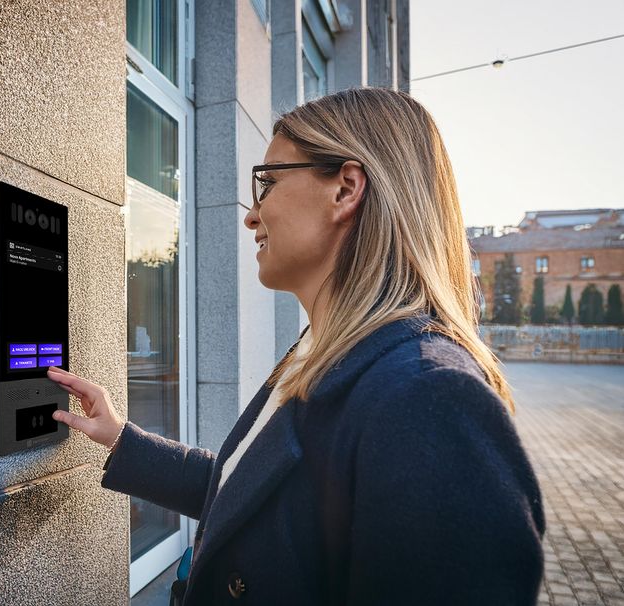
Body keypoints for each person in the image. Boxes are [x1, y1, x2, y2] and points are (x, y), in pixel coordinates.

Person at [47, 87, 545, 605]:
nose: (251, 214)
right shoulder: (324, 349)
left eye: (268, 182)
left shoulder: (429, 399)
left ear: (346, 189)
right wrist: (122, 439)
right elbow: (248, 495)